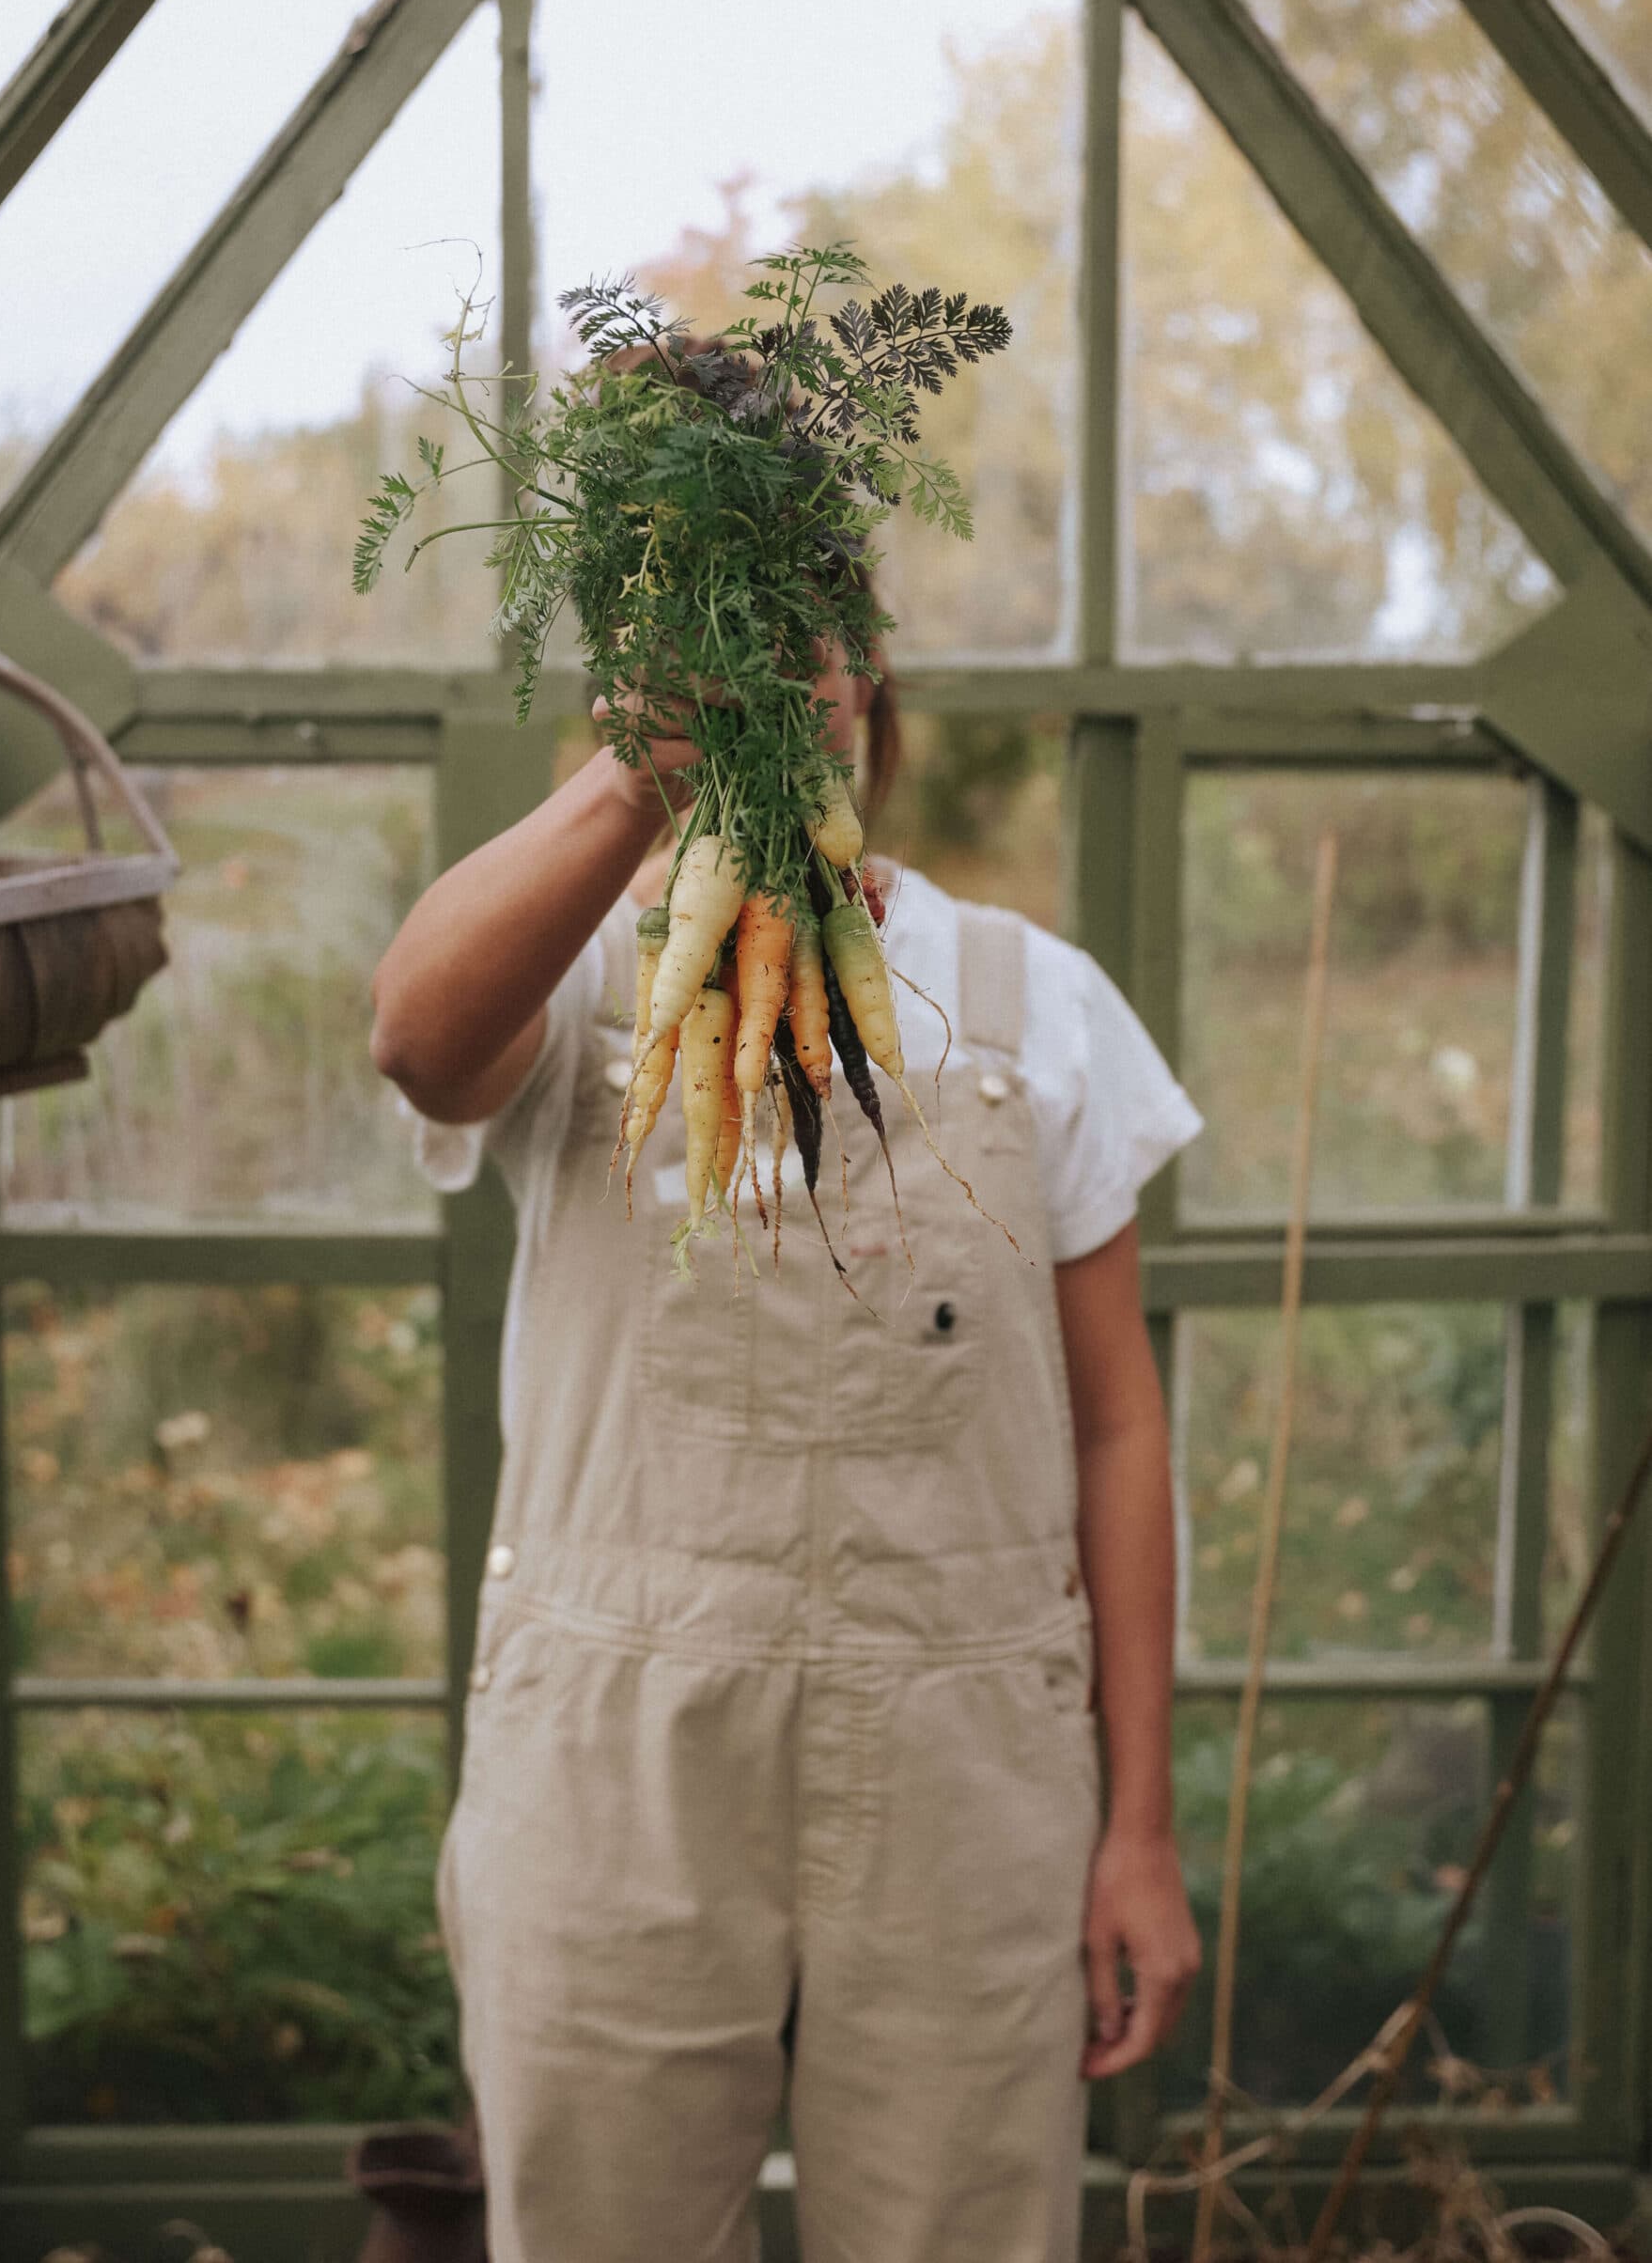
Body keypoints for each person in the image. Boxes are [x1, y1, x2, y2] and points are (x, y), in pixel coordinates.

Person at [369, 509, 1206, 2263]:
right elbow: (419, 1042)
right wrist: (632, 780)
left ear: (865, 674)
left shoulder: (1029, 1002)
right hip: (620, 1745)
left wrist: (1136, 1826)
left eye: (801, 653)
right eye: (710, 663)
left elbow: (1119, 1429)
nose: (767, 697)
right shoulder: (583, 972)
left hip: (967, 1753)